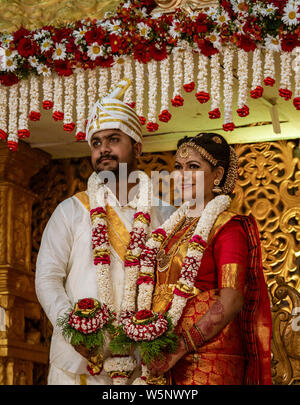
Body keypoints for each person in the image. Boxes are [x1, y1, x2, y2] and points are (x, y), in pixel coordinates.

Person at [35, 78, 175, 385]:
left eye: (113, 139)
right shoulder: (71, 211)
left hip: (142, 362)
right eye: (96, 143)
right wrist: (72, 328)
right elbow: (47, 278)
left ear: (137, 146)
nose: (103, 150)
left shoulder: (166, 214)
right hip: (78, 364)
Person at [147, 132, 272, 385]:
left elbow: (232, 298)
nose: (182, 175)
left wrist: (181, 345)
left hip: (207, 360)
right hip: (163, 356)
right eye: (179, 167)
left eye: (193, 167)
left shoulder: (228, 227)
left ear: (217, 175)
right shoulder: (172, 229)